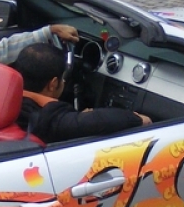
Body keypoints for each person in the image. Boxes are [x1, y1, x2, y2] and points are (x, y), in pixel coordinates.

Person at [12, 44, 150, 144]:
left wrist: (76, 118)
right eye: (63, 78)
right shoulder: (48, 120)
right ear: (53, 84)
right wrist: (137, 119)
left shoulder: (2, 101)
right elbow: (98, 121)